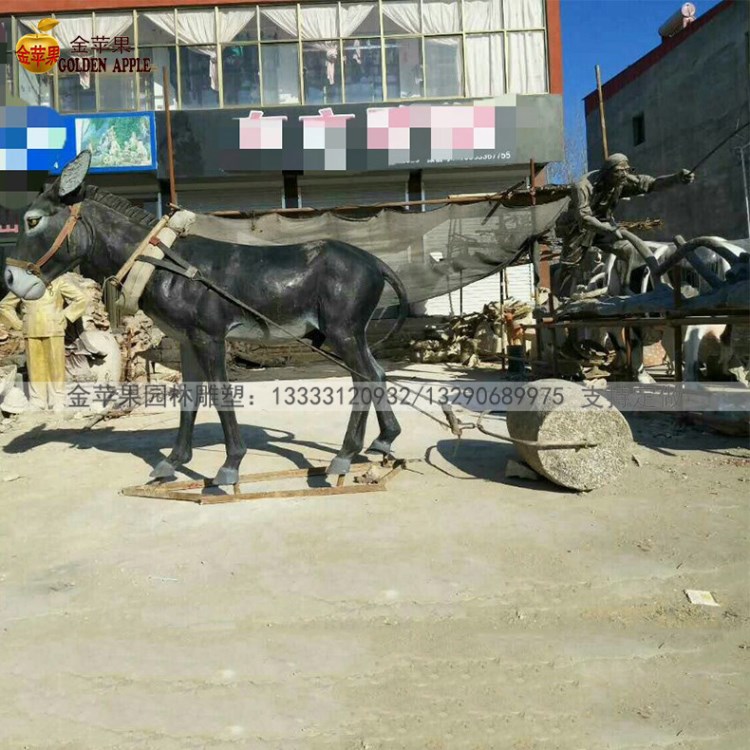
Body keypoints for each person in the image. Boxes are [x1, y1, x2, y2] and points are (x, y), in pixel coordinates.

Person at [554, 153, 695, 296]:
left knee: (628, 250)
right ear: (607, 173)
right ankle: (559, 298)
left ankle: (624, 289)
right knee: (569, 266)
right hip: (579, 228)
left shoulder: (621, 180)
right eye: (619, 172)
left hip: (605, 225)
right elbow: (584, 217)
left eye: (626, 171)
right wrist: (609, 230)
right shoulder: (583, 186)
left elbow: (652, 184)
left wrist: (676, 178)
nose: (624, 176)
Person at [0, 275, 88, 411]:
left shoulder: (59, 281)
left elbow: (82, 298)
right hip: (31, 329)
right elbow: (5, 305)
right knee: (35, 367)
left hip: (53, 327)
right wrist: (18, 324)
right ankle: (37, 400)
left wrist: (65, 316)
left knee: (56, 366)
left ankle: (58, 399)